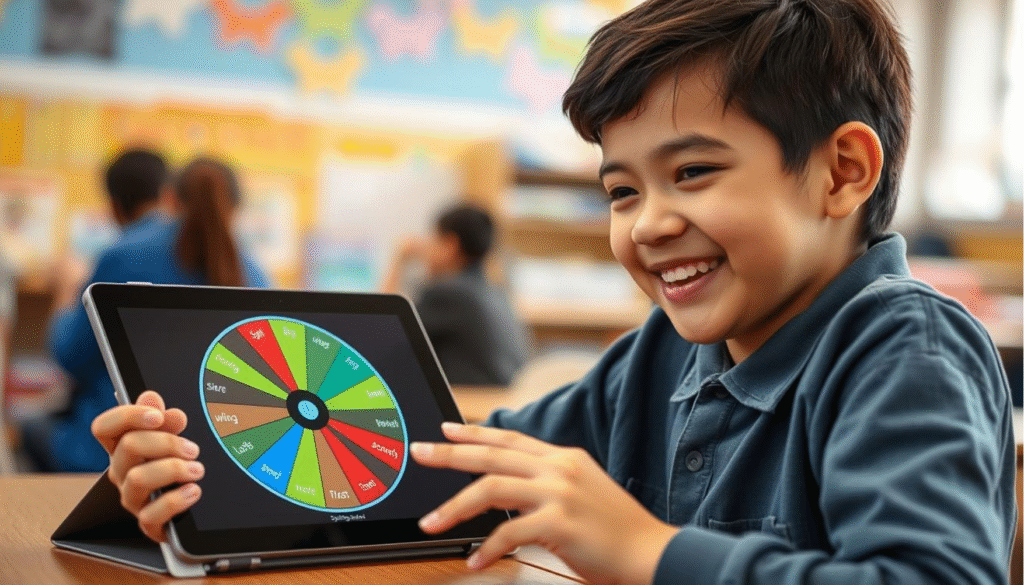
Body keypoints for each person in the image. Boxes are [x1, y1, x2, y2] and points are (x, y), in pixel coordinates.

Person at [91, 1, 1017, 583]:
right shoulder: (662, 357)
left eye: (693, 172)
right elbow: (446, 472)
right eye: (621, 190)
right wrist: (195, 476)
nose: (647, 222)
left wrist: (648, 552)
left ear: (842, 172)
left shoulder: (903, 349)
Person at [24, 152, 269, 472]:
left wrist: (66, 293)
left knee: (33, 428)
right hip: (220, 459)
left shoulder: (124, 253)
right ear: (237, 207)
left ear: (168, 198)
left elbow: (71, 358)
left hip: (117, 453)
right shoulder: (256, 274)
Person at [381, 203, 530, 386]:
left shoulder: (448, 294)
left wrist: (399, 259)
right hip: (504, 400)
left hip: (472, 405)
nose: (427, 247)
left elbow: (385, 330)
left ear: (450, 245)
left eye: (433, 239)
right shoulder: (495, 291)